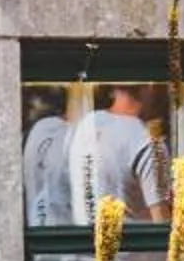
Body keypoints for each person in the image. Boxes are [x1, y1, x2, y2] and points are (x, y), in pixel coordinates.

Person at [69, 81, 172, 222]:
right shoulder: (147, 141)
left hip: (83, 241)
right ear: (149, 86)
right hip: (134, 242)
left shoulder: (86, 124)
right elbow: (163, 224)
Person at [22, 88, 74, 228]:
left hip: (41, 224)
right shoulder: (56, 131)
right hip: (59, 228)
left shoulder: (32, 135)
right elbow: (60, 177)